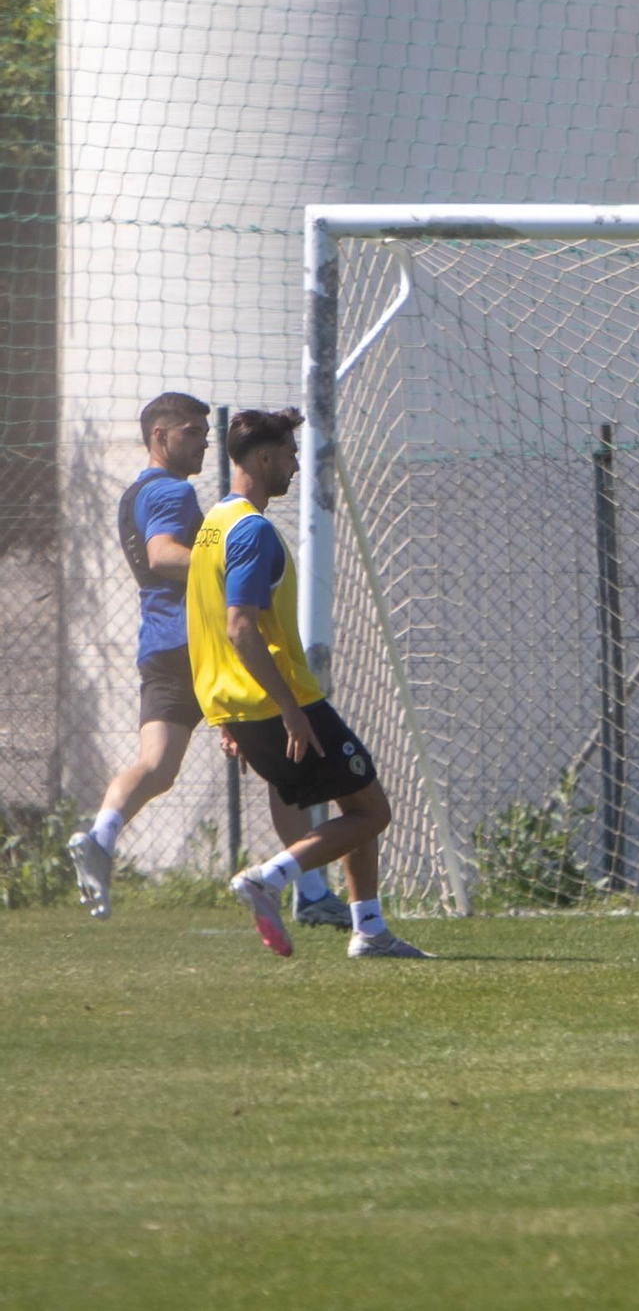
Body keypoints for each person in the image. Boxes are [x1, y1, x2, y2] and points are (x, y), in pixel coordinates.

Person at [67, 392, 342, 925]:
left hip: (160, 647)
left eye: (204, 432)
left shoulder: (136, 493)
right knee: (289, 765)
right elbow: (162, 554)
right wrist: (229, 564)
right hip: (204, 647)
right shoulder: (171, 491)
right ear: (160, 436)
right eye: (192, 431)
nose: (204, 441)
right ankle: (309, 890)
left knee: (156, 767)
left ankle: (102, 834)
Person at [187, 407, 429, 959]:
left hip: (238, 706)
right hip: (279, 701)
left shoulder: (211, 529)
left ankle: (369, 929)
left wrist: (225, 718)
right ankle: (270, 879)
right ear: (264, 458)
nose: (296, 466)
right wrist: (290, 709)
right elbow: (238, 626)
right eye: (291, 455)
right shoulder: (250, 530)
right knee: (373, 810)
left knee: (355, 801)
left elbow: (201, 629)